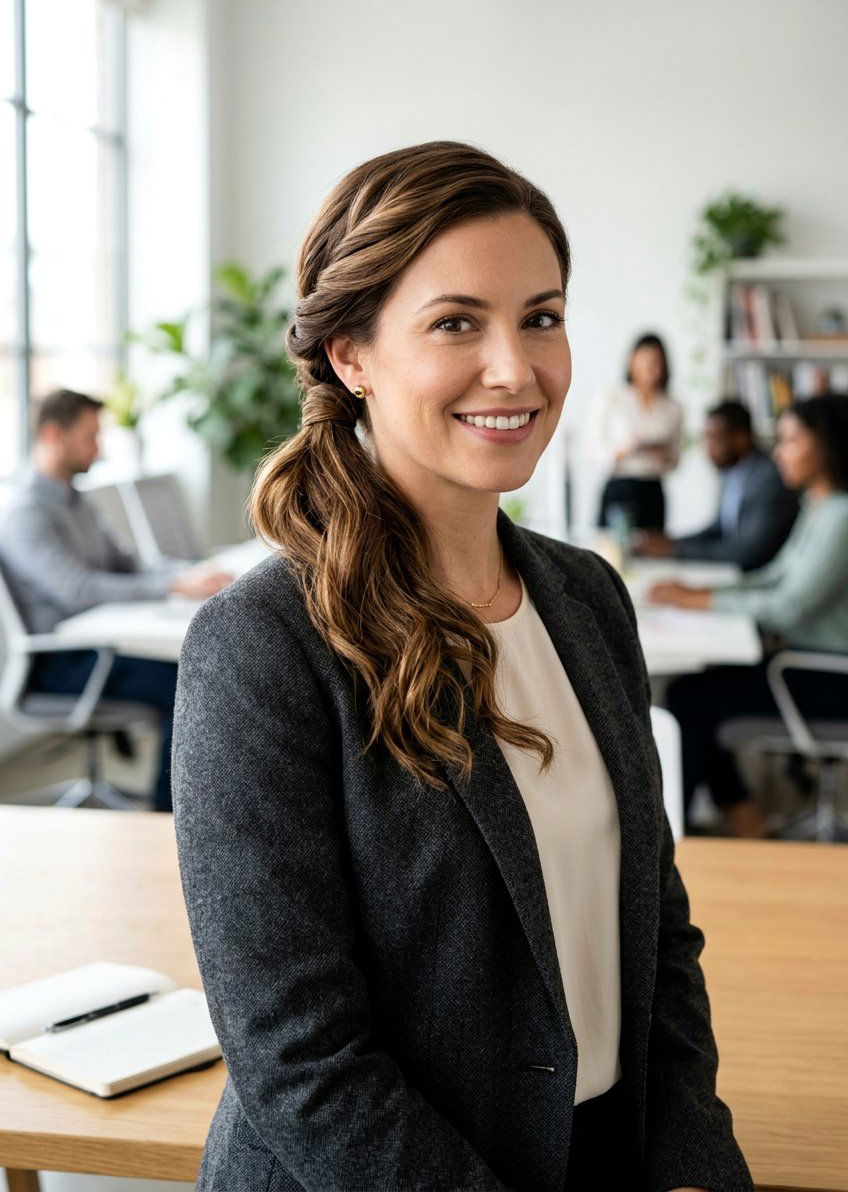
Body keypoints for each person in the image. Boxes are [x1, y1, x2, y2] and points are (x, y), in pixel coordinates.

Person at [172, 141, 751, 1191]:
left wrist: (690, 1159)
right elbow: (301, 1061)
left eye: (540, 316)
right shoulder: (263, 647)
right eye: (454, 323)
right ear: (351, 353)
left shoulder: (585, 599)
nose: (515, 368)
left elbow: (653, 927)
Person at [0, 389, 232, 811]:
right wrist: (171, 588)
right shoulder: (24, 513)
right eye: (90, 436)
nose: (98, 447)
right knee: (189, 683)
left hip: (99, 647)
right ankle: (170, 818)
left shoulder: (77, 501)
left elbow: (126, 564)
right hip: (59, 664)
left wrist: (185, 577)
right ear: (54, 434)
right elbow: (78, 591)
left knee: (199, 665)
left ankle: (194, 807)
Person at [650, 393, 848, 838]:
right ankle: (745, 819)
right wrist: (703, 591)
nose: (779, 452)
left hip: (829, 676)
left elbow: (789, 607)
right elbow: (772, 578)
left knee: (689, 701)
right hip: (806, 664)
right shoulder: (818, 507)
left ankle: (668, 843)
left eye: (792, 440)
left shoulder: (841, 517)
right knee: (693, 694)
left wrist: (701, 602)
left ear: (828, 445)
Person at [633, 399, 798, 571]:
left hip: (755, 578)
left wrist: (675, 550)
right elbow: (719, 529)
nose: (708, 449)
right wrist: (670, 542)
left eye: (715, 439)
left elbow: (747, 552)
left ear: (741, 438)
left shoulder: (768, 479)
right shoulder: (732, 473)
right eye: (706, 439)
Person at [590, 332, 683, 533]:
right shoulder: (612, 398)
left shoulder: (673, 407)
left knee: (653, 553)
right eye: (644, 360)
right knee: (613, 551)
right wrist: (628, 449)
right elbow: (597, 450)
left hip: (653, 490)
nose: (650, 368)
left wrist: (661, 453)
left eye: (656, 362)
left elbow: (675, 460)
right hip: (620, 487)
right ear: (631, 362)